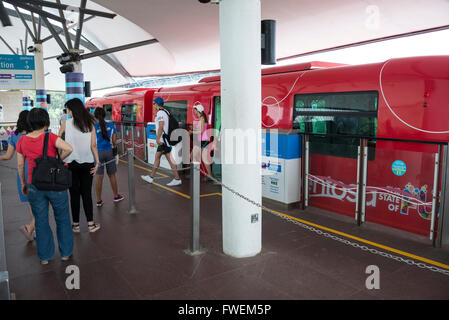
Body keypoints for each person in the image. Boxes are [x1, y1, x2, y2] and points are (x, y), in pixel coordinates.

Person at [16, 108, 74, 265]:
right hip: (55, 183)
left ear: (30, 122)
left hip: (34, 184)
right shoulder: (50, 137)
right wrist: (57, 160)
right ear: (46, 121)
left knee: (40, 220)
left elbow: (20, 165)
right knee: (62, 218)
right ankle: (65, 253)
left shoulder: (22, 140)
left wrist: (23, 183)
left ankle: (45, 257)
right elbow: (69, 148)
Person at [59, 98, 101, 233]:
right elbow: (93, 145)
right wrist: (97, 162)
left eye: (69, 110)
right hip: (87, 163)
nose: (68, 113)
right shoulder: (90, 124)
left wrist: (59, 158)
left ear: (72, 110)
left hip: (71, 164)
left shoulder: (66, 123)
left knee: (74, 194)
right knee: (87, 194)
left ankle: (76, 225)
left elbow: (58, 140)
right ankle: (90, 224)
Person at [0, 110, 35, 241]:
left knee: (31, 203)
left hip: (22, 174)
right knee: (41, 202)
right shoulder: (36, 134)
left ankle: (33, 228)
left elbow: (8, 156)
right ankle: (31, 227)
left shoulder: (15, 136)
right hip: (36, 171)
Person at [141, 97, 181, 186]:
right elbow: (162, 126)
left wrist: (158, 139)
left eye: (153, 104)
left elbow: (161, 126)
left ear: (157, 104)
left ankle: (177, 178)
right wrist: (157, 131)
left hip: (163, 140)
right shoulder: (166, 112)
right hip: (164, 139)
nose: (153, 105)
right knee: (157, 157)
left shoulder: (160, 113)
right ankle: (151, 177)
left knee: (170, 159)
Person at [93, 107, 124, 207]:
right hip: (109, 152)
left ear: (95, 116)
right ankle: (116, 196)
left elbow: (92, 142)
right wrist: (116, 153)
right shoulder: (111, 124)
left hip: (98, 153)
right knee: (112, 175)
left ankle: (98, 200)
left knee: (99, 177)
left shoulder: (93, 126)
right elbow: (114, 142)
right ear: (104, 114)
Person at [190, 104, 212, 177]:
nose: (194, 111)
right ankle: (209, 175)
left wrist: (192, 132)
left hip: (202, 140)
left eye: (195, 110)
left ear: (198, 110)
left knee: (193, 156)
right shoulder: (201, 118)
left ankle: (195, 174)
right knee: (201, 158)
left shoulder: (202, 118)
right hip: (202, 140)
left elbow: (202, 131)